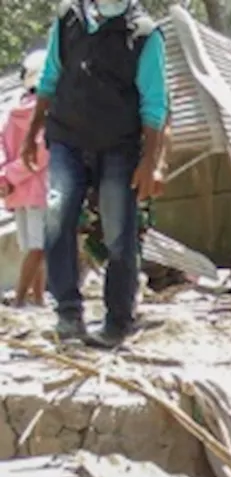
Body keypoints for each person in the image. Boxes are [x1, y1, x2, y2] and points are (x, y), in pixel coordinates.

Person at [24, 0, 168, 347]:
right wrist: (32, 133)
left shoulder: (145, 35)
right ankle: (68, 313)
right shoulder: (68, 18)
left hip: (119, 144)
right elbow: (50, 77)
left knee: (119, 231)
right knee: (58, 217)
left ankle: (117, 321)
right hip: (67, 138)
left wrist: (151, 161)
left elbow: (155, 102)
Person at [1, 50, 50, 308]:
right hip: (37, 188)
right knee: (38, 246)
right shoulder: (44, 112)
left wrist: (6, 177)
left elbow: (3, 147)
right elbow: (40, 153)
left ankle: (39, 298)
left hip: (16, 189)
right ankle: (21, 298)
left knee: (32, 246)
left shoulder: (12, 111)